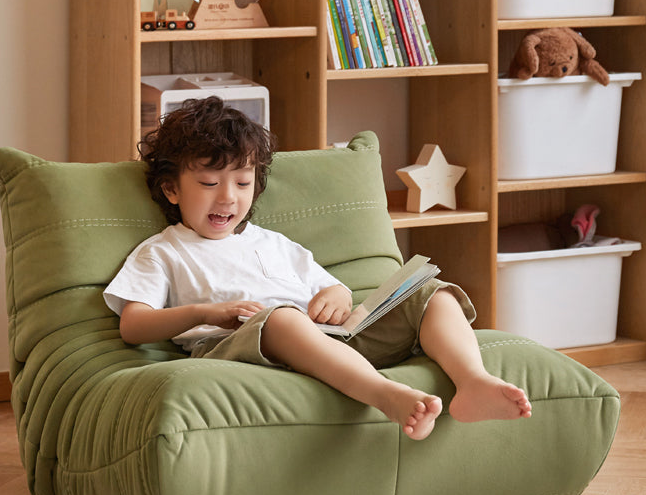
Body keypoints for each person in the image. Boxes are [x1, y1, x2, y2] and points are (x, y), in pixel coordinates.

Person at [104, 96, 531, 440]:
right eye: (210, 184)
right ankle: (386, 394)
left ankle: (473, 382)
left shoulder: (274, 243)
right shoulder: (163, 251)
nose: (228, 198)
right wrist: (204, 313)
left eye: (243, 183)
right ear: (171, 189)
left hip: (331, 341)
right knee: (283, 319)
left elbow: (334, 289)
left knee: (429, 291)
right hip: (240, 346)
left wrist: (336, 296)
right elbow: (134, 325)